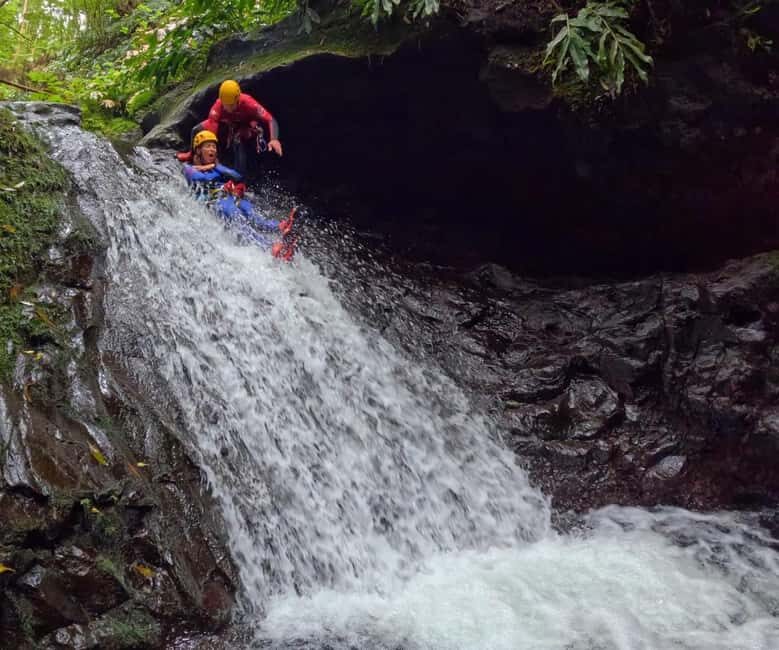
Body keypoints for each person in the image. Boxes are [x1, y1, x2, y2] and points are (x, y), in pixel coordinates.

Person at [182, 130, 296, 259]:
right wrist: (209, 168)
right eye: (207, 146)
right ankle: (268, 247)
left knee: (250, 212)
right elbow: (200, 178)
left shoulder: (217, 167)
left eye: (214, 146)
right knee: (236, 217)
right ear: (198, 151)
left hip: (228, 196)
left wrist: (216, 167)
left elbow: (236, 175)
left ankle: (279, 227)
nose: (212, 149)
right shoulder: (188, 167)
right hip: (213, 201)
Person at [177, 79, 283, 175]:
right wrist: (212, 158)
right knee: (196, 130)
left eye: (231, 105)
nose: (228, 108)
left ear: (238, 99)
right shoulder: (218, 106)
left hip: (246, 126)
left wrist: (274, 139)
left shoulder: (249, 103)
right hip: (228, 125)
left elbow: (270, 119)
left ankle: (240, 175)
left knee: (238, 139)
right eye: (225, 104)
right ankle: (191, 154)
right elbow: (211, 135)